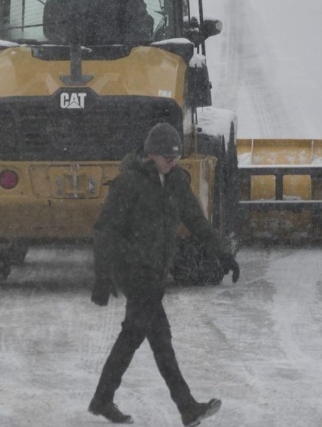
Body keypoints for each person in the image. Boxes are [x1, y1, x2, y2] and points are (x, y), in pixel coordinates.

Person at [88, 122, 241, 426]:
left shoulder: (175, 184)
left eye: (176, 158)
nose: (173, 163)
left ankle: (103, 400)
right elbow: (105, 230)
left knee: (142, 337)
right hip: (133, 270)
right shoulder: (129, 183)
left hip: (156, 271)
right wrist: (103, 276)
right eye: (167, 158)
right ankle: (185, 406)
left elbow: (197, 221)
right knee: (155, 340)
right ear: (151, 155)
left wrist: (223, 253)